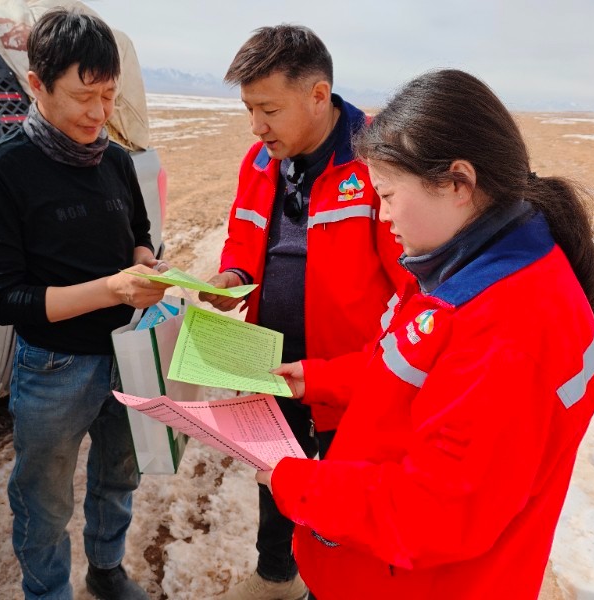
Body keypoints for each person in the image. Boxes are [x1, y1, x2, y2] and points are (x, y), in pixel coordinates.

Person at [259, 69, 594, 600]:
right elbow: (409, 364)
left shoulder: (508, 327)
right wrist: (314, 380)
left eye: (387, 194)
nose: (382, 216)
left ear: (457, 183)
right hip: (377, 568)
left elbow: (434, 513)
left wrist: (293, 482)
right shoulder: (463, 268)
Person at [0, 9, 169, 600]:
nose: (99, 114)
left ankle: (106, 569)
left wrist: (145, 261)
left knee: (119, 475)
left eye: (108, 96)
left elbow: (138, 228)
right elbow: (4, 298)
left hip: (129, 353)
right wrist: (113, 289)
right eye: (84, 96)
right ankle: (47, 592)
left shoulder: (115, 160)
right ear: (36, 84)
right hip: (54, 368)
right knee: (45, 501)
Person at [199, 25, 407, 600]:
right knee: (277, 480)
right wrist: (235, 276)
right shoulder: (262, 159)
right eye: (248, 109)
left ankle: (330, 587)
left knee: (341, 502)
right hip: (269, 368)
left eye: (268, 109)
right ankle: (275, 576)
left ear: (319, 96)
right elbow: (245, 234)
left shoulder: (377, 165)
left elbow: (410, 290)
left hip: (353, 378)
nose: (256, 126)